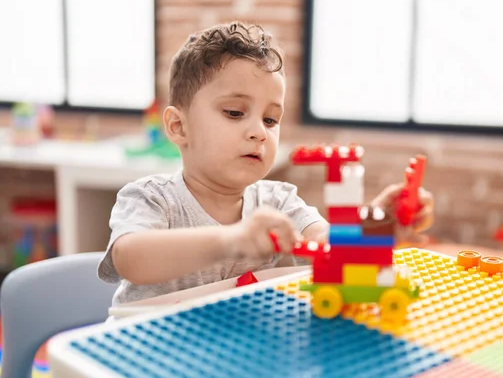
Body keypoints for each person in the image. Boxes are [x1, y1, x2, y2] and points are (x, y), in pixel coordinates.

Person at [97, 21, 434, 305]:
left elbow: (329, 245)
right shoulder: (152, 198)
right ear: (178, 126)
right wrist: (231, 239)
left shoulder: (280, 202)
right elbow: (131, 259)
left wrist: (377, 222)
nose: (259, 132)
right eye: (234, 112)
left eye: (271, 120)